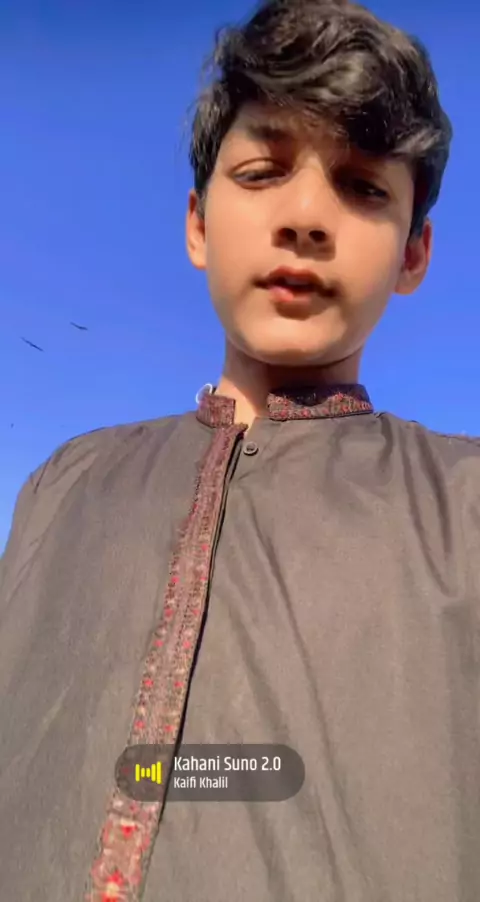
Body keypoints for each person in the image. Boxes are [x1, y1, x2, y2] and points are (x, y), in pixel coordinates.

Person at [2, 0, 475, 899]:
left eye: (364, 187)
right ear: (197, 224)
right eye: (262, 172)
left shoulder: (465, 503)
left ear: (415, 255)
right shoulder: (62, 485)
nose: (306, 216)